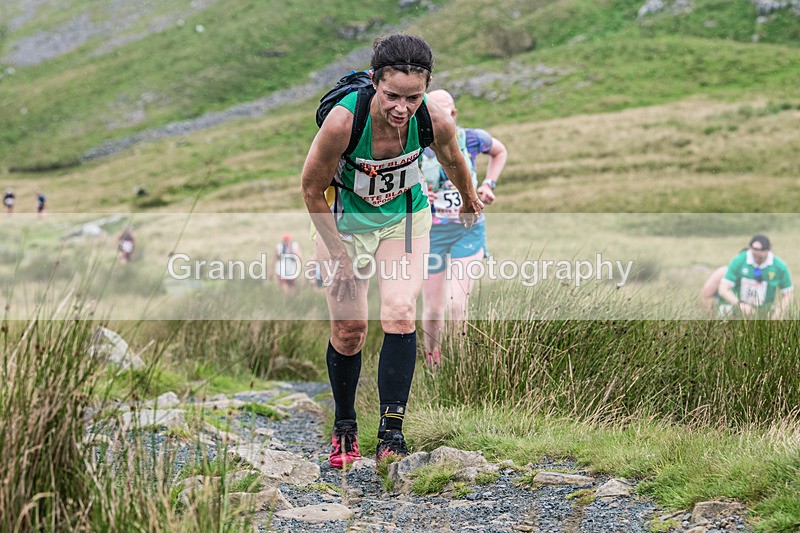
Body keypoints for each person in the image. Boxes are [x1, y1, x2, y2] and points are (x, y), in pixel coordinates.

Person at [301, 34, 482, 469]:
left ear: (427, 88)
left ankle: (391, 434)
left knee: (400, 312)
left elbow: (453, 159)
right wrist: (340, 258)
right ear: (375, 82)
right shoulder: (343, 122)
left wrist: (470, 199)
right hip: (344, 224)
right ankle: (345, 426)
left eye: (413, 98)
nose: (402, 108)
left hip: (404, 219)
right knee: (350, 330)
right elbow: (310, 190)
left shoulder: (434, 119)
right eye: (392, 96)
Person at [420, 89, 507, 368]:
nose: (439, 120)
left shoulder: (472, 139)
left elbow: (500, 151)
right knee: (433, 309)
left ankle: (458, 367)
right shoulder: (415, 145)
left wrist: (488, 185)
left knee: (456, 303)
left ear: (454, 114)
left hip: (468, 229)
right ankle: (433, 365)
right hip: (431, 233)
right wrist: (418, 193)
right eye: (432, 115)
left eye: (444, 114)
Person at [718, 235, 793, 319]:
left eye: (760, 252)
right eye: (753, 251)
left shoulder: (779, 266)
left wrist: (777, 313)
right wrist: (740, 305)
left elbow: (788, 294)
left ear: (769, 249)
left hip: (764, 312)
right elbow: (723, 289)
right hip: (737, 309)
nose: (756, 254)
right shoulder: (739, 260)